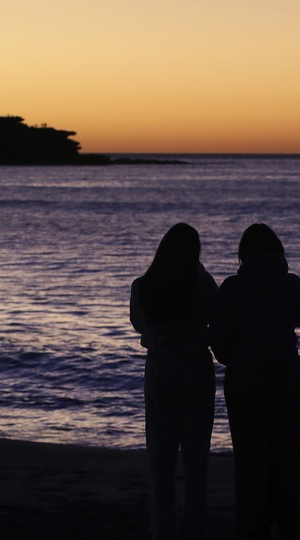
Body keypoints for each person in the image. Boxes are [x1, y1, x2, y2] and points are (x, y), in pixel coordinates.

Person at [209, 223, 300, 538]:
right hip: (284, 374)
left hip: (245, 378)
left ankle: (253, 525)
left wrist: (232, 357)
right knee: (286, 454)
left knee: (250, 456)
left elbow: (217, 336)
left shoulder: (232, 287)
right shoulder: (291, 284)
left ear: (243, 254)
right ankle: (288, 523)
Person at [130, 223, 219, 540]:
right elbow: (217, 317)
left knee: (161, 461)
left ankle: (162, 532)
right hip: (195, 366)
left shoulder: (143, 286)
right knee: (196, 462)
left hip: (161, 369)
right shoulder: (202, 283)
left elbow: (139, 326)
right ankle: (194, 530)